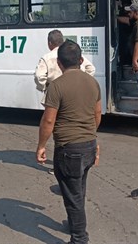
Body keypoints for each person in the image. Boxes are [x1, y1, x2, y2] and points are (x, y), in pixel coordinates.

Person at [36, 40, 102, 244]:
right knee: (79, 189)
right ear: (81, 60)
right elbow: (97, 113)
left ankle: (79, 238)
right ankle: (74, 225)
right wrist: (92, 136)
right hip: (89, 145)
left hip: (69, 149)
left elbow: (48, 120)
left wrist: (41, 146)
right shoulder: (93, 82)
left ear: (59, 63)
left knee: (73, 196)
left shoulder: (56, 86)